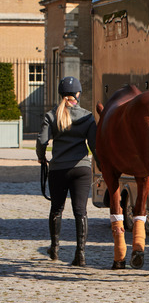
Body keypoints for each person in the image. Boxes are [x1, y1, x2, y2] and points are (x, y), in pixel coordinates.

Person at [37, 76, 97, 266]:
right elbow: (94, 146)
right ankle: (80, 254)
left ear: (60, 94)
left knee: (56, 209)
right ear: (78, 94)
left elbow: (41, 141)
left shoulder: (52, 115)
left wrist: (41, 157)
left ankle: (54, 248)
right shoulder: (87, 117)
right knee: (81, 212)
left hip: (58, 169)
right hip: (81, 169)